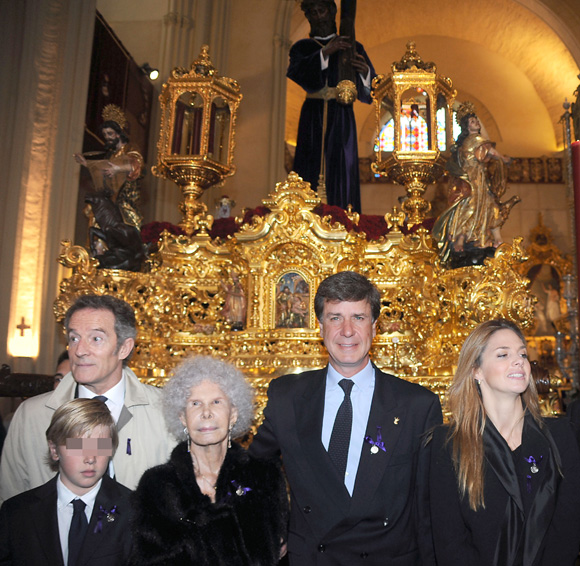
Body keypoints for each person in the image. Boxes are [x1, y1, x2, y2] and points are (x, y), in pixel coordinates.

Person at [250, 271, 442, 565]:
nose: (347, 330)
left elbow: (431, 506)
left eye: (359, 317)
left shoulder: (416, 405)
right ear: (320, 327)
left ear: (375, 327)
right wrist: (268, 527)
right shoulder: (287, 396)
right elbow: (254, 471)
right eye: (335, 317)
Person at [429, 319, 580, 565]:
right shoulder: (449, 445)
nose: (519, 360)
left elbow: (568, 529)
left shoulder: (561, 436)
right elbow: (449, 541)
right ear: (476, 371)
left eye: (522, 353)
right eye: (503, 354)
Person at [0, 294, 174, 503]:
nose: (79, 351)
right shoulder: (31, 416)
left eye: (96, 339)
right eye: (74, 338)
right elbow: (11, 501)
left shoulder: (165, 412)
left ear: (124, 348)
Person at [129, 356, 288, 565]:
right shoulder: (157, 485)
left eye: (216, 402)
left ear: (233, 415)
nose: (206, 413)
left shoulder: (264, 477)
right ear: (182, 418)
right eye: (195, 404)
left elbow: (278, 555)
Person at [0, 398, 132, 565]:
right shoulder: (17, 512)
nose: (90, 458)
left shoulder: (134, 510)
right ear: (54, 450)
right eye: (78, 447)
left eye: (100, 446)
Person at [289, 0, 375, 213]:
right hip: (313, 115)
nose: (319, 17)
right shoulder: (302, 48)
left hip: (342, 116)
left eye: (322, 10)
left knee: (342, 167)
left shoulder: (354, 46)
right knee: (309, 164)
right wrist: (325, 53)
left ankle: (343, 218)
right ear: (308, 17)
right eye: (313, 12)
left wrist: (364, 73)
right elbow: (297, 72)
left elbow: (371, 91)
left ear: (332, 11)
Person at [433, 101, 520, 264]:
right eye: (472, 122)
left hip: (479, 179)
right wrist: (503, 158)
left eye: (476, 121)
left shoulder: (475, 140)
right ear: (467, 126)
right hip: (470, 179)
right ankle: (461, 237)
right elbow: (490, 152)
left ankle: (485, 238)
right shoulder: (474, 140)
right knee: (470, 205)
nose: (476, 123)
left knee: (487, 205)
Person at [74, 104, 145, 271]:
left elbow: (138, 164)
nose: (107, 137)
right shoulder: (111, 155)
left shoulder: (130, 149)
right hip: (110, 197)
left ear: (119, 133)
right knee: (95, 215)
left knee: (129, 224)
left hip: (125, 197)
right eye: (105, 134)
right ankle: (99, 253)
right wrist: (86, 163)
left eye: (110, 134)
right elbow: (101, 168)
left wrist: (117, 168)